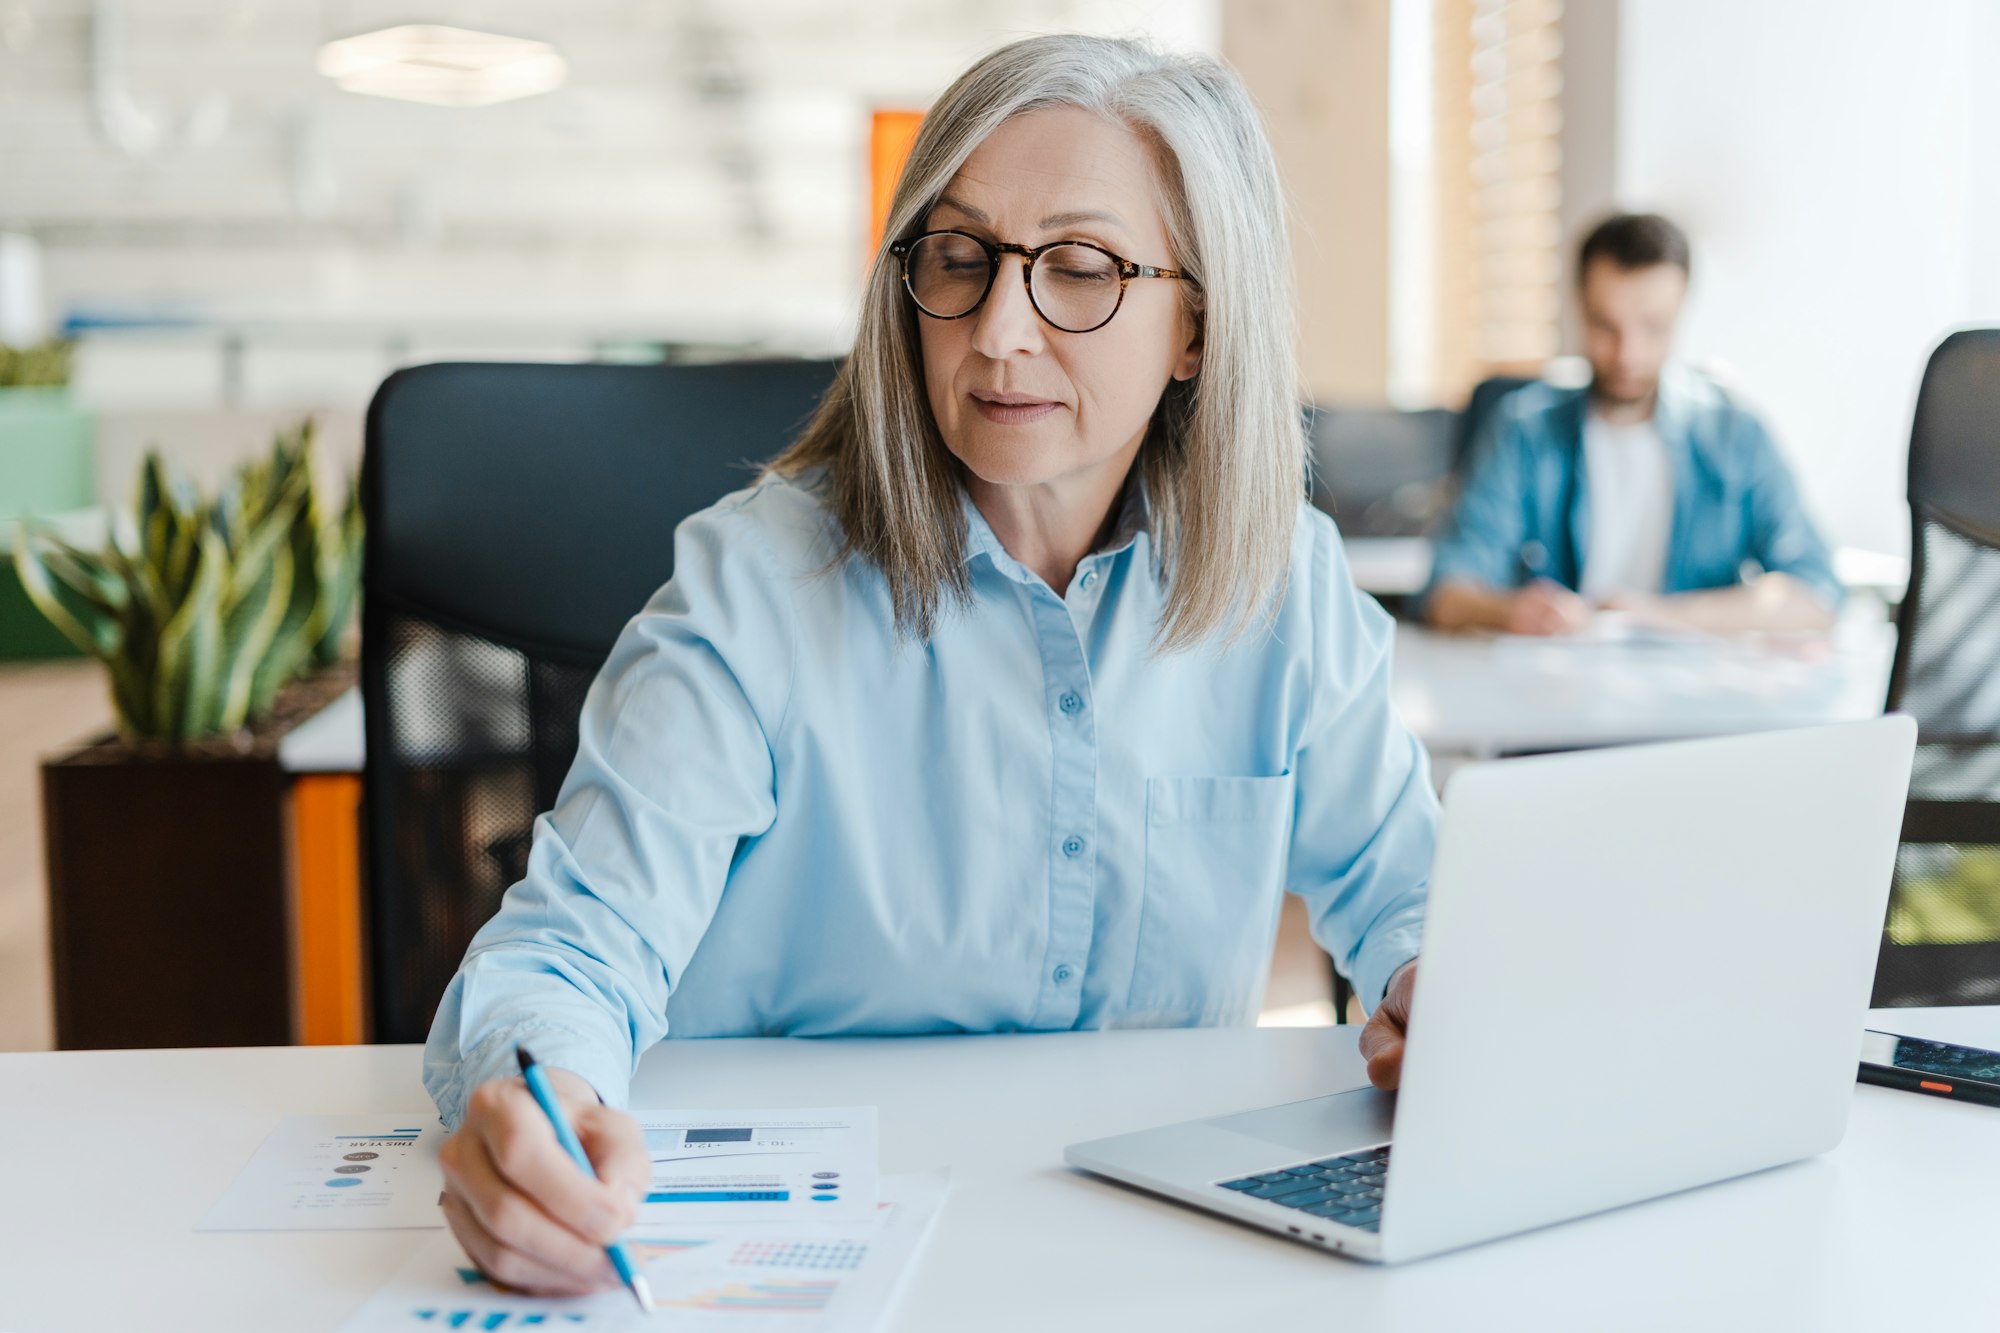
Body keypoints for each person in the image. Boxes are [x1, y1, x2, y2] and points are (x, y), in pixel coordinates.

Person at [424, 34, 1436, 1297]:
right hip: (801, 1254)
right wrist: (540, 1103)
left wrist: (1431, 979)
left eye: (1079, 268)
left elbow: (1412, 893)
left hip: (1142, 1257)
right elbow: (575, 946)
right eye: (957, 261)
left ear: (1196, 328)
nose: (997, 331)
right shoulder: (756, 588)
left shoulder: (1280, 579)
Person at [1424, 212, 1841, 636]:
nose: (1628, 354)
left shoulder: (1736, 436)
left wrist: (1660, 617)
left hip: (1696, 691)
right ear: (1579, 309)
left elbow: (1816, 595)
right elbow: (1446, 591)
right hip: (1555, 689)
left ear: (1680, 313)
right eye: (1606, 326)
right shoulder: (1524, 431)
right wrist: (1509, 612)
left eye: (1653, 328)